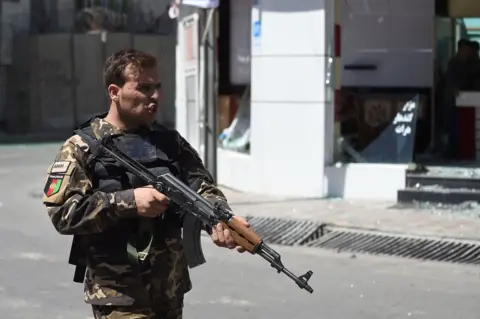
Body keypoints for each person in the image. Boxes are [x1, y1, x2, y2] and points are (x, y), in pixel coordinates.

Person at [42, 49, 249, 319]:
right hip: (118, 293)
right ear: (114, 92)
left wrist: (220, 217)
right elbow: (63, 214)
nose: (155, 96)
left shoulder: (169, 142)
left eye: (157, 87)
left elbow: (202, 186)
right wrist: (129, 201)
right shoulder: (82, 147)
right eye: (144, 88)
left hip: (170, 288)